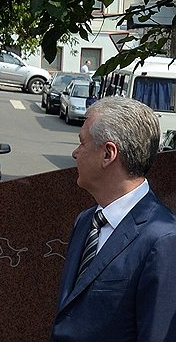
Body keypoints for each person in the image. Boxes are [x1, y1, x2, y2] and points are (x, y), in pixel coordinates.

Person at [50, 97, 176, 341]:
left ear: (108, 154)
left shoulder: (164, 239)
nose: (75, 153)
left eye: (82, 143)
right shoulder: (86, 221)